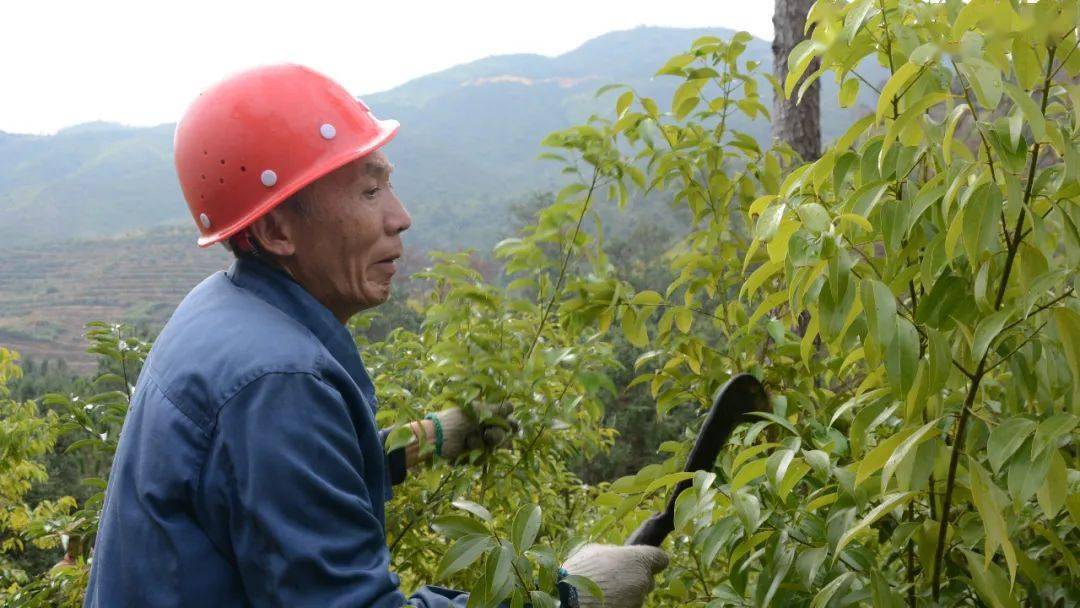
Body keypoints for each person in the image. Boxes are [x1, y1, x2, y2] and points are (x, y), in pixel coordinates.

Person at [83, 64, 668, 607]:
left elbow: (276, 488)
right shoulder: (277, 382)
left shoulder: (223, 309)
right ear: (275, 228)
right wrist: (567, 597)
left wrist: (426, 440)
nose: (400, 215)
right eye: (370, 191)